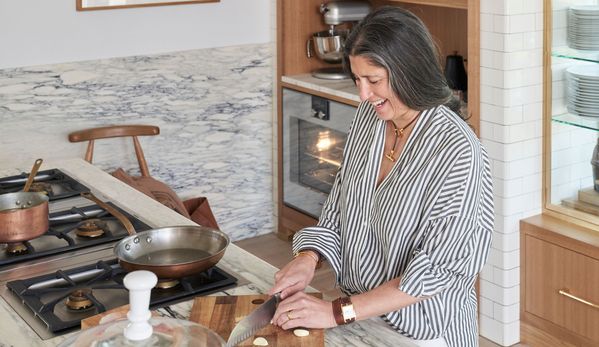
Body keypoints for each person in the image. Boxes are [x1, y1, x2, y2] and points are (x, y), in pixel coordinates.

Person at [269, 6, 493, 347]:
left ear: (410, 71)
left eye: (374, 80)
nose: (363, 94)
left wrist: (335, 313)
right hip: (360, 319)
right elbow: (341, 203)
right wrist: (308, 257)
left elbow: (436, 270)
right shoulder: (369, 118)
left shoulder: (457, 151)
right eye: (357, 80)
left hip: (424, 332)